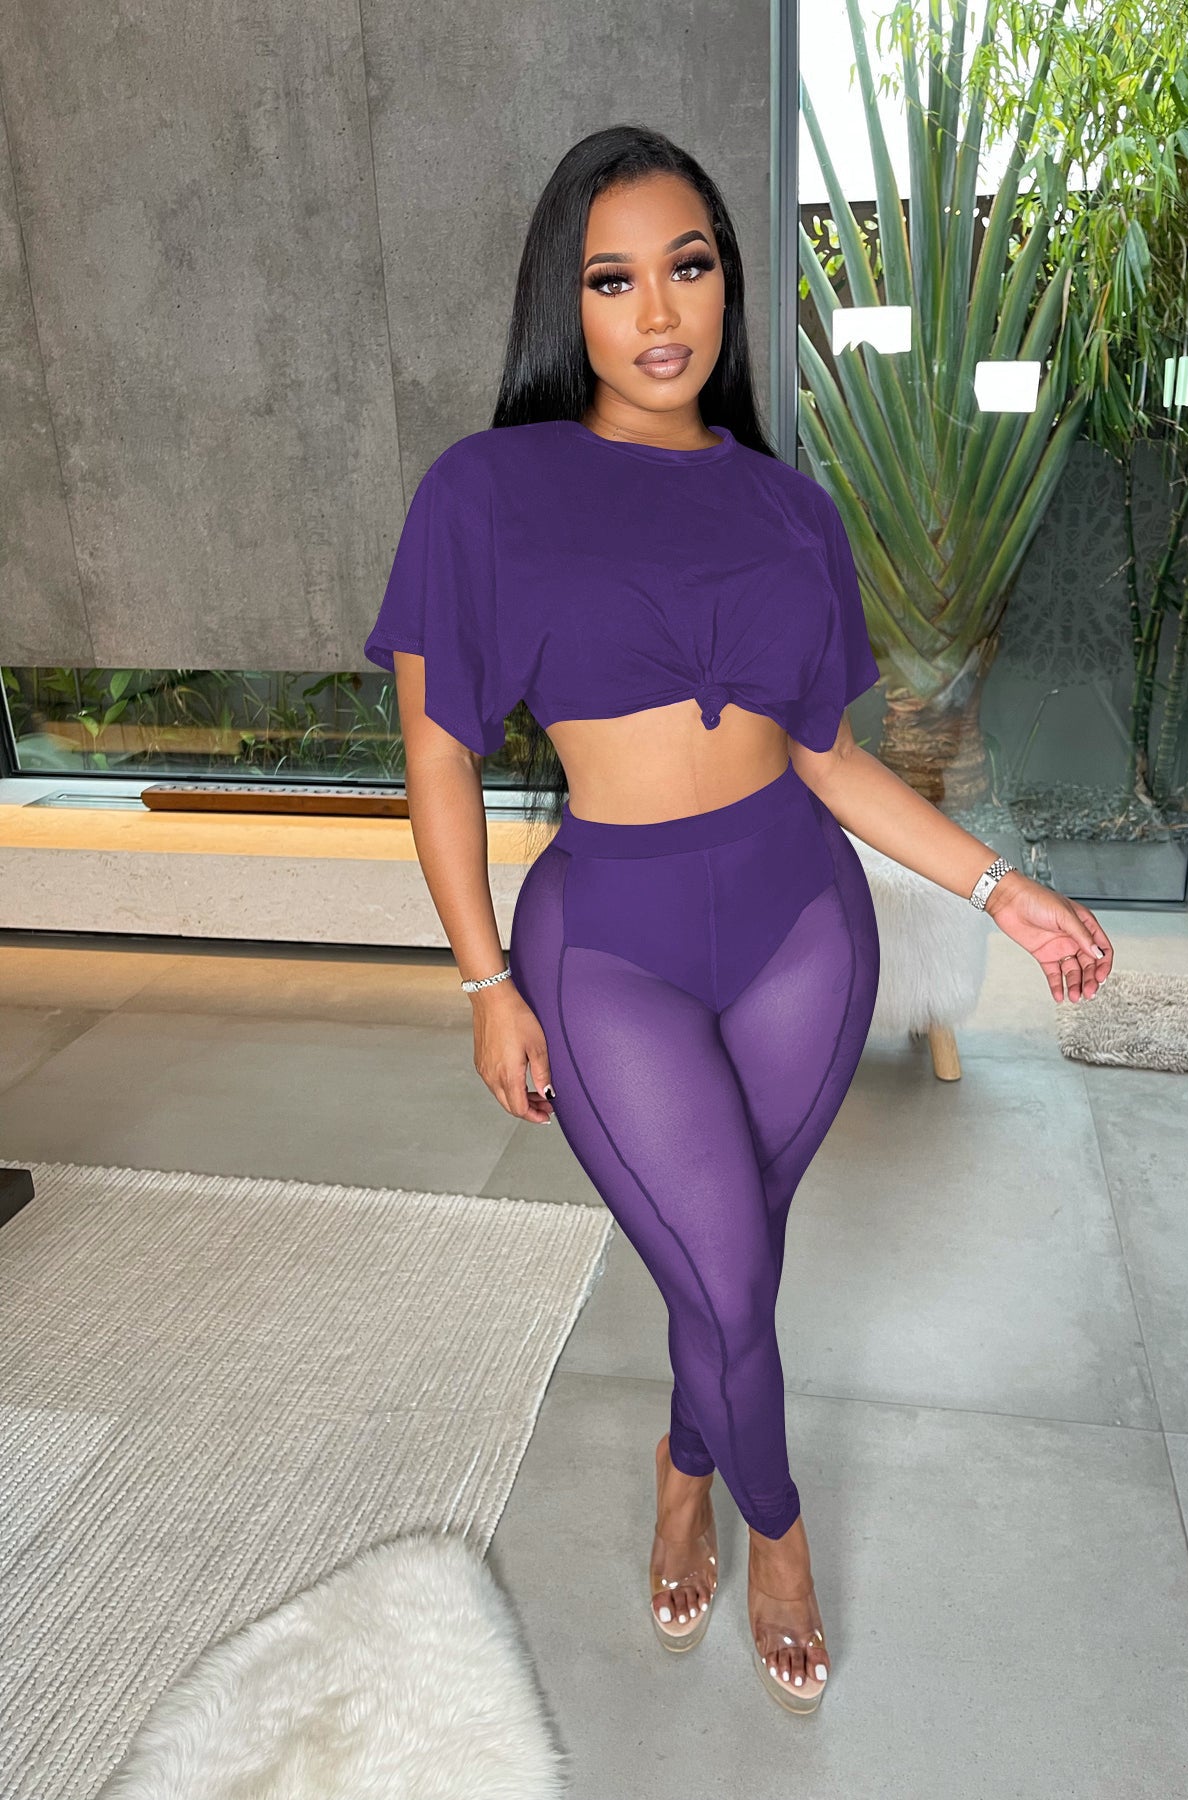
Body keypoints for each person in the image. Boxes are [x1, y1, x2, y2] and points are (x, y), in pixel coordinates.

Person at [363, 124, 1114, 1716]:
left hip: (801, 930)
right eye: (612, 278)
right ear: (561, 302)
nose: (659, 311)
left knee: (731, 1274)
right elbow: (434, 755)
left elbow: (829, 759)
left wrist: (1003, 887)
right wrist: (485, 982)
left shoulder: (789, 509)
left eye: (688, 265)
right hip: (607, 946)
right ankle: (771, 1528)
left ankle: (685, 1457)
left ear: (727, 282)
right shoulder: (485, 490)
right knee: (724, 1272)